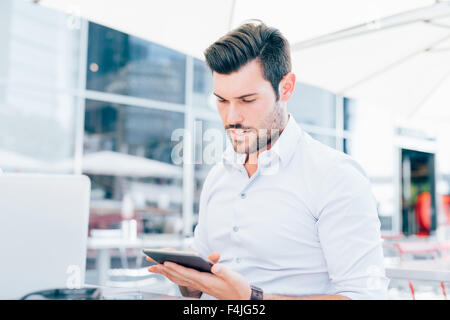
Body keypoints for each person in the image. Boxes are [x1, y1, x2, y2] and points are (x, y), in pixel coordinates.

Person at [147, 21, 389, 300]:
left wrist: (252, 299)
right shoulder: (219, 176)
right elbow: (200, 284)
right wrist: (189, 280)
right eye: (222, 101)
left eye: (247, 100)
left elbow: (365, 296)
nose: (231, 117)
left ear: (286, 88)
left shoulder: (335, 176)